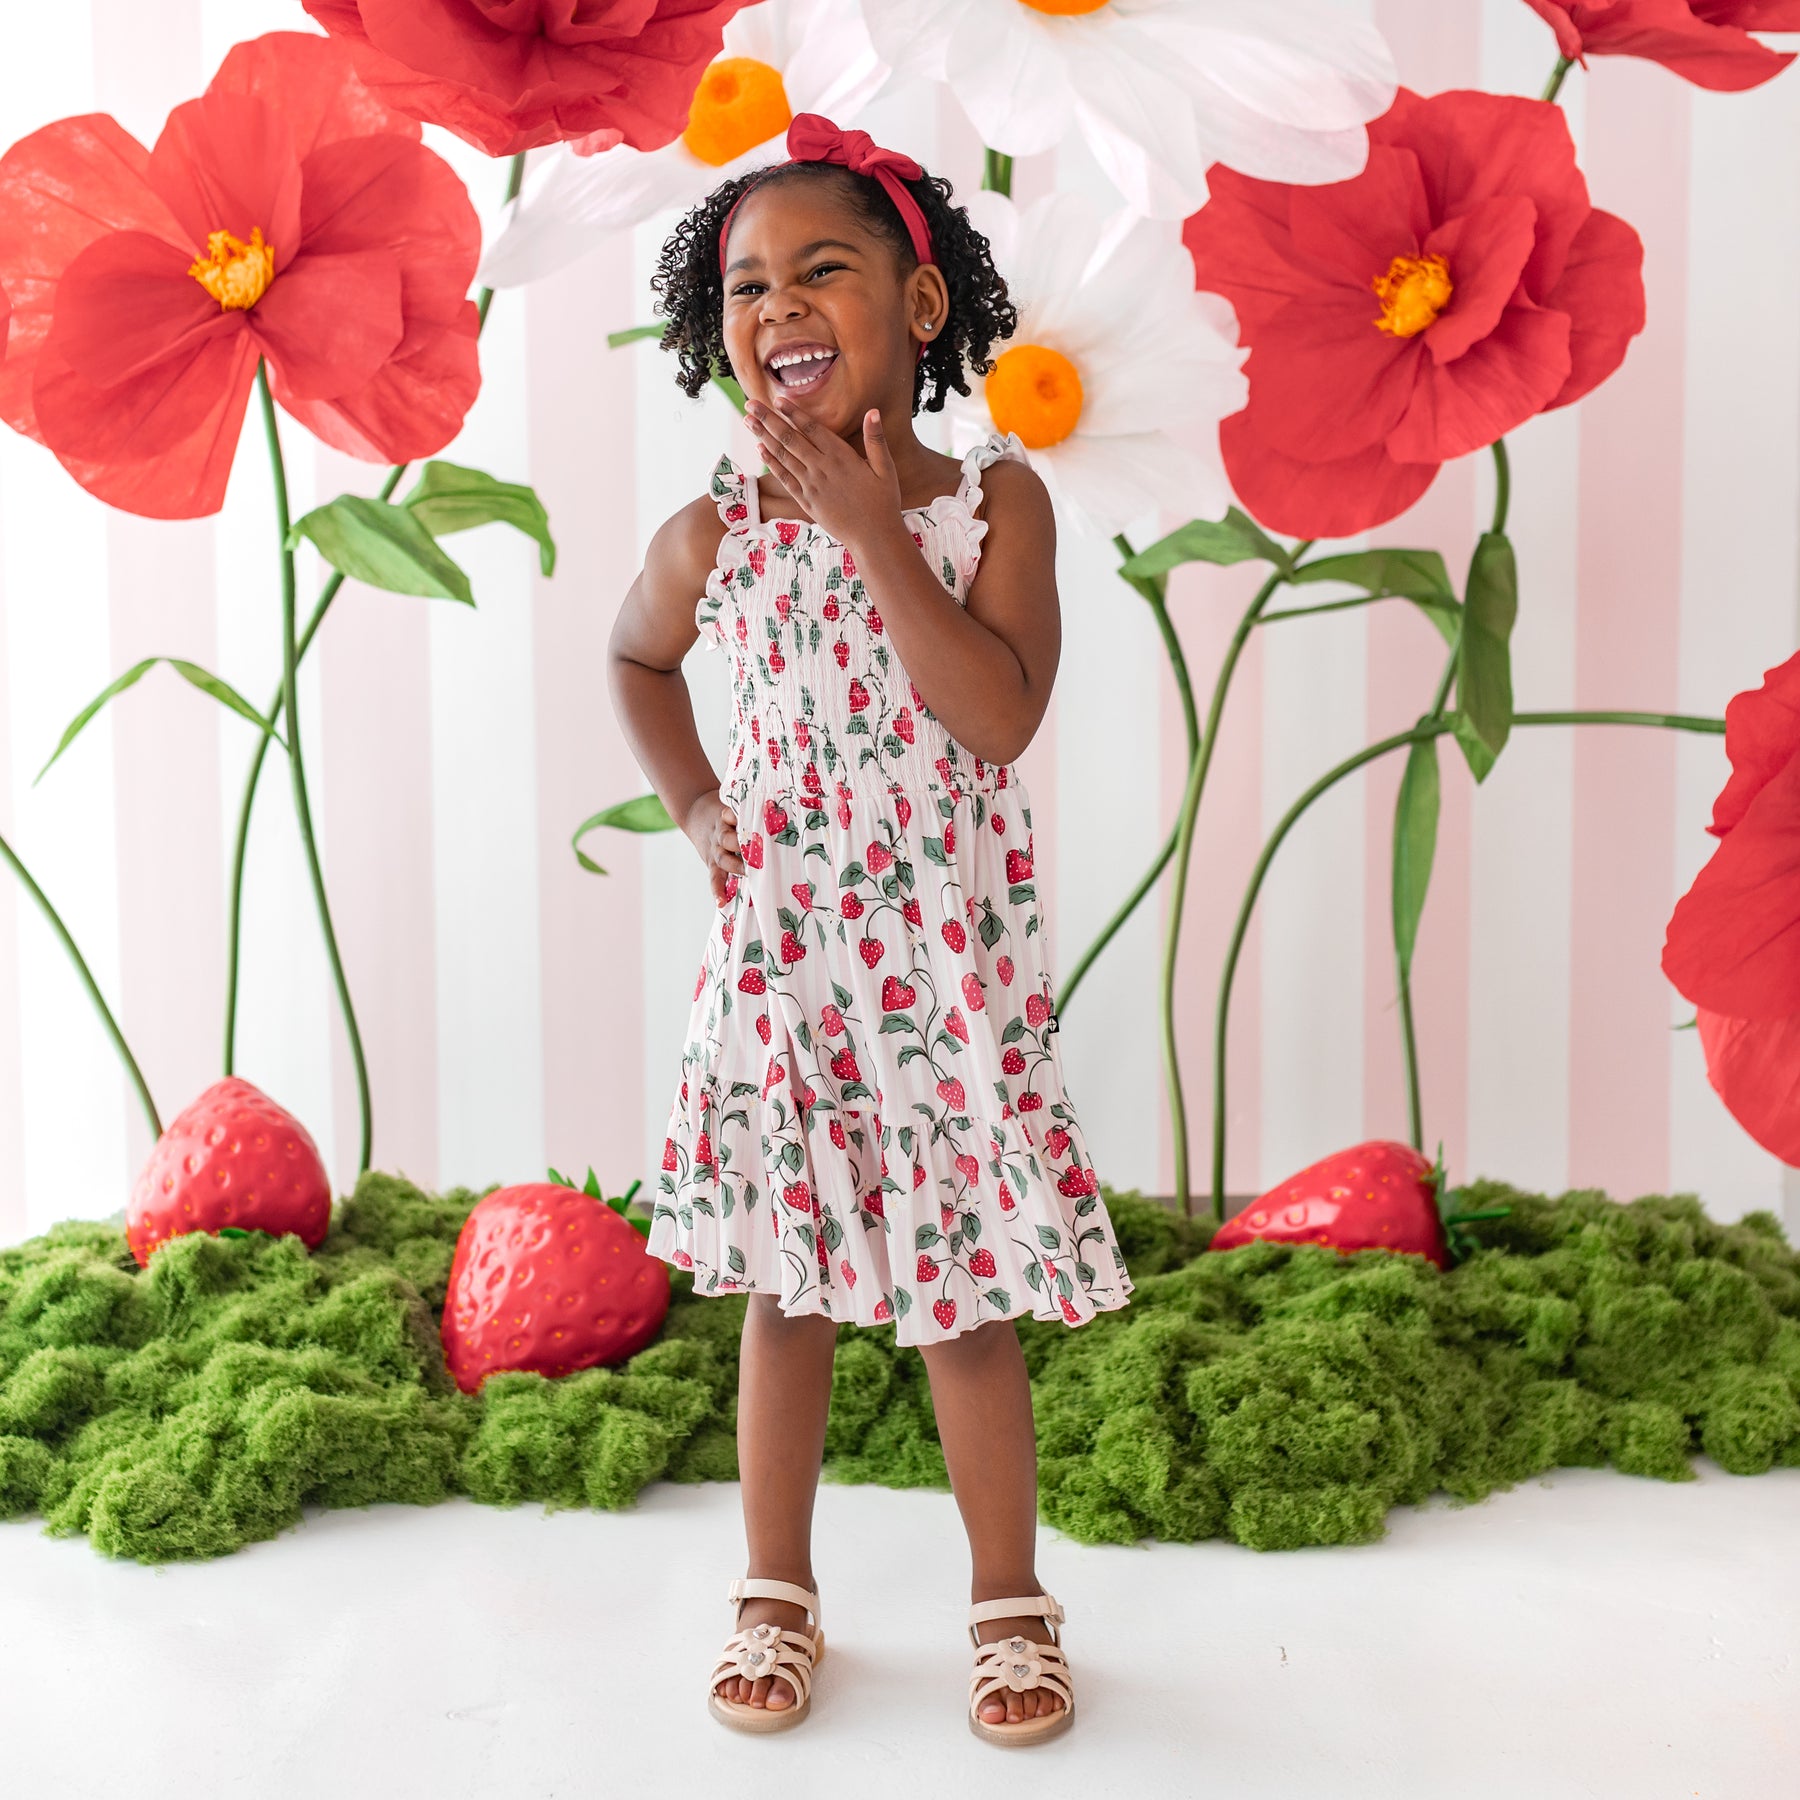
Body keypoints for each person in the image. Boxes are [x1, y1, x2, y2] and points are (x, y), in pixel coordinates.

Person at [606, 112, 1135, 1747]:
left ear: (917, 308)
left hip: (943, 988)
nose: (777, 306)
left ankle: (1008, 1603)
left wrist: (873, 536)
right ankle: (776, 1588)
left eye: (819, 268)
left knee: (965, 1307)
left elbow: (993, 720)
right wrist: (701, 813)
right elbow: (635, 663)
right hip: (786, 986)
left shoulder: (994, 509)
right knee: (789, 1293)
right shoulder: (715, 532)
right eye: (746, 286)